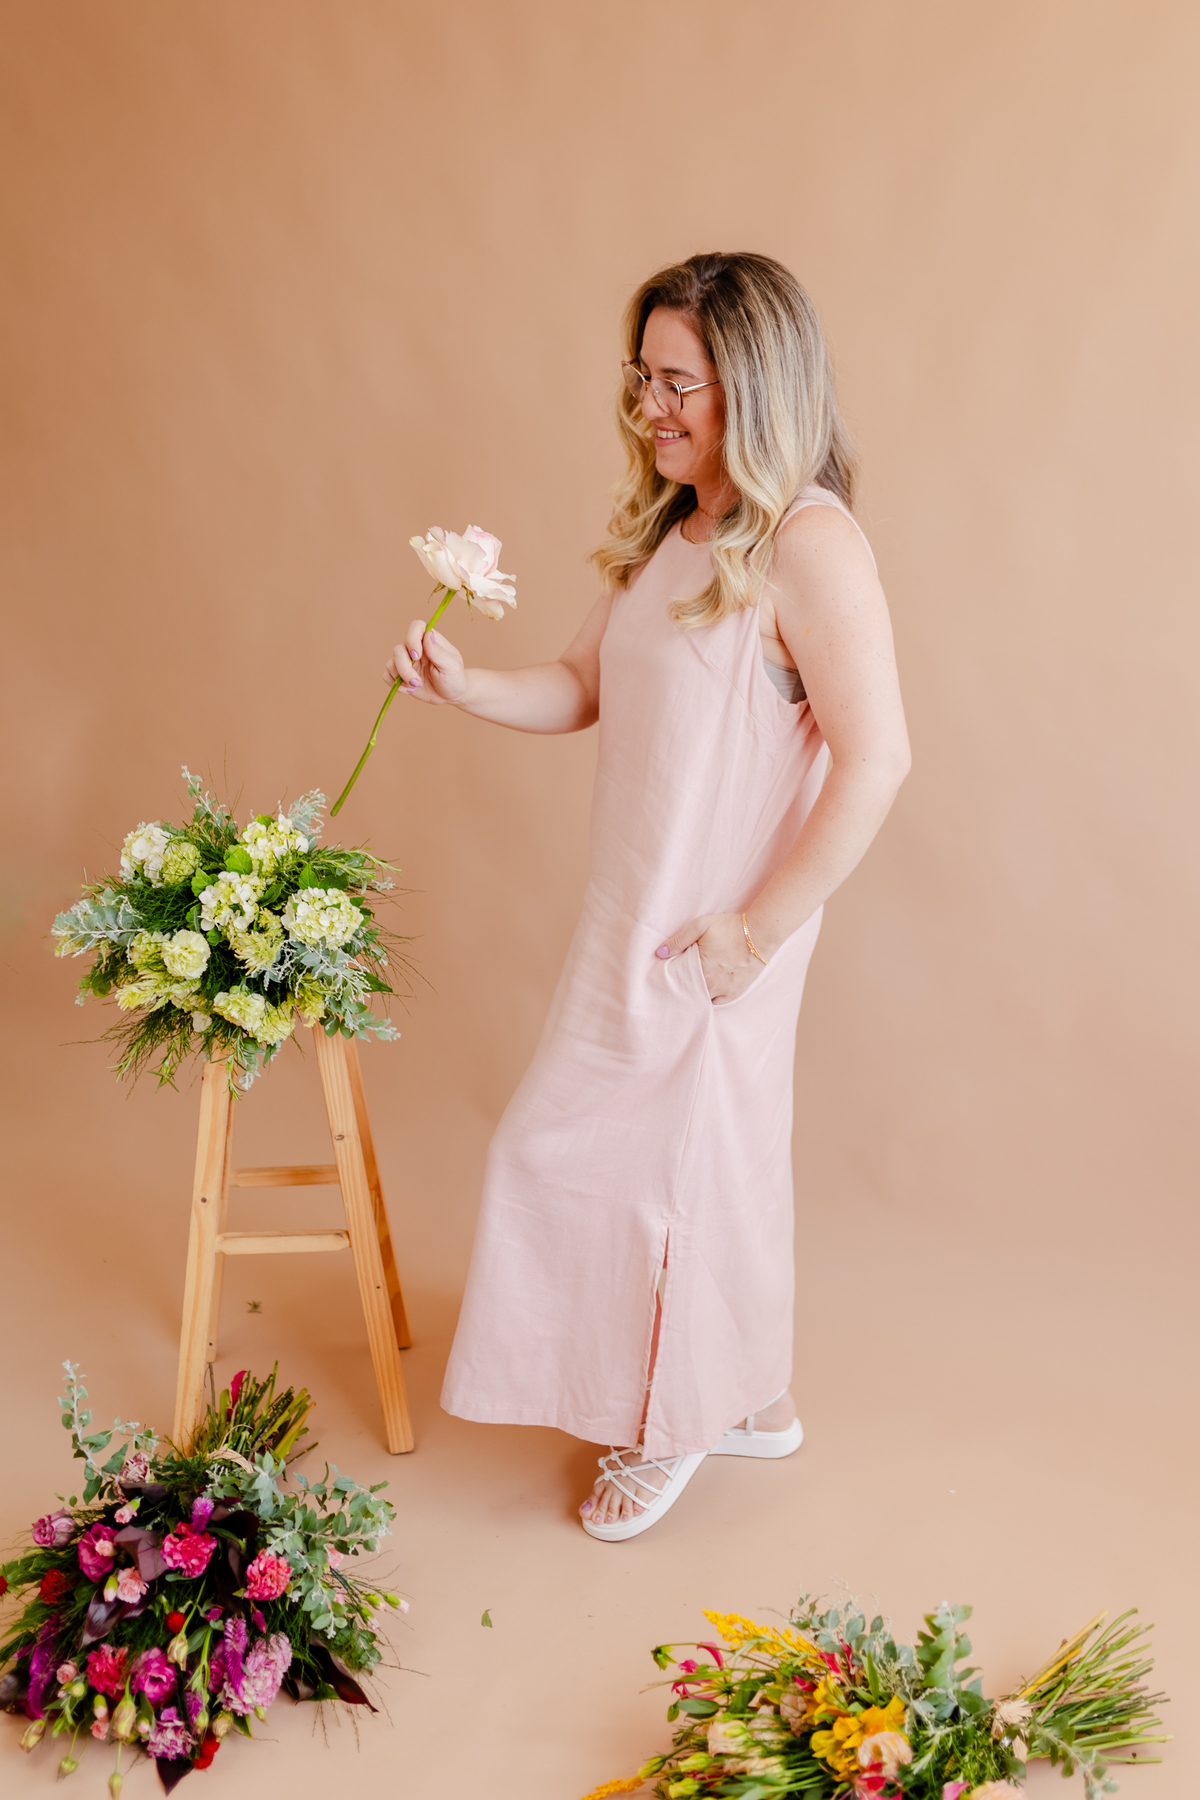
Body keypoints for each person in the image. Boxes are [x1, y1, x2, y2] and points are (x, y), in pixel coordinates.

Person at [385, 252, 910, 1541]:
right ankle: (752, 1398)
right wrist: (464, 684)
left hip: (718, 935)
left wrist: (756, 932)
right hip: (634, 918)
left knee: (671, 1177)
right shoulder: (674, 534)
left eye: (680, 384)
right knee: (661, 1166)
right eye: (644, 378)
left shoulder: (810, 545)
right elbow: (582, 684)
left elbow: (878, 758)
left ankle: (673, 1419)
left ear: (756, 386)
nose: (650, 408)